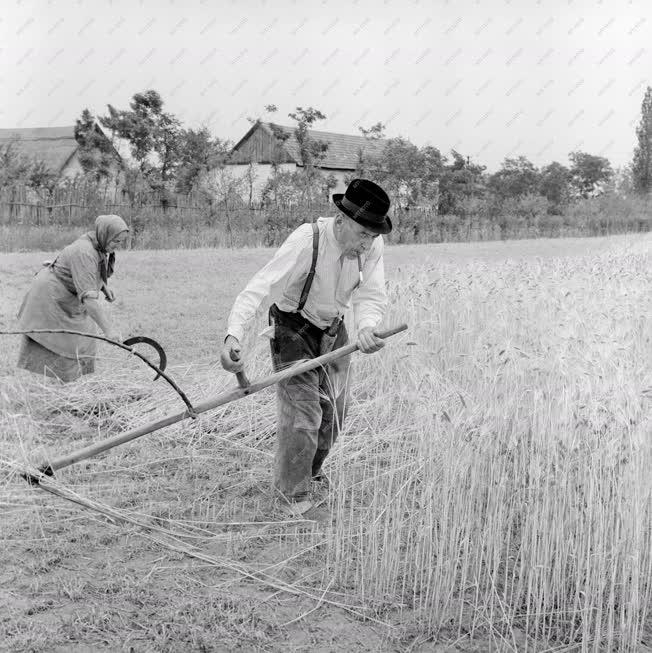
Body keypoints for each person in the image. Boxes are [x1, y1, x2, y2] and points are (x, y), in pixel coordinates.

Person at [220, 179, 392, 515]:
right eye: (362, 234)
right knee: (303, 415)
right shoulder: (307, 239)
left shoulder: (372, 246)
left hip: (334, 329)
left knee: (334, 414)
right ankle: (292, 497)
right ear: (341, 221)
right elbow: (260, 285)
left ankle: (311, 473)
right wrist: (233, 335)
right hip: (293, 329)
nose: (367, 243)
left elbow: (371, 295)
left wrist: (368, 327)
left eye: (373, 235)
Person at [16, 214, 129, 382]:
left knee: (83, 338)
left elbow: (87, 274)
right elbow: (89, 301)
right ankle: (52, 385)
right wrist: (109, 330)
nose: (118, 246)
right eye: (115, 241)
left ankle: (72, 382)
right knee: (60, 342)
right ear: (104, 233)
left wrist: (103, 287)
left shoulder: (98, 242)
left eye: (121, 242)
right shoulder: (84, 252)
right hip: (50, 297)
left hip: (67, 295)